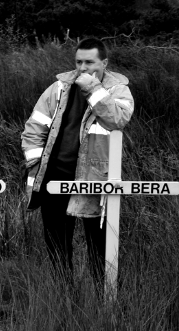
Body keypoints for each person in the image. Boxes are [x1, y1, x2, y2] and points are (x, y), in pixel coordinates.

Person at [21, 37, 134, 287]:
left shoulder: (118, 90)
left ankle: (106, 306)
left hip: (94, 181)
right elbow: (33, 129)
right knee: (58, 247)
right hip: (54, 179)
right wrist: (37, 164)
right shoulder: (59, 88)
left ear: (104, 63)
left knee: (100, 249)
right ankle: (65, 302)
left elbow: (117, 120)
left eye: (90, 62)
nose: (83, 68)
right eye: (78, 62)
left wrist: (93, 89)